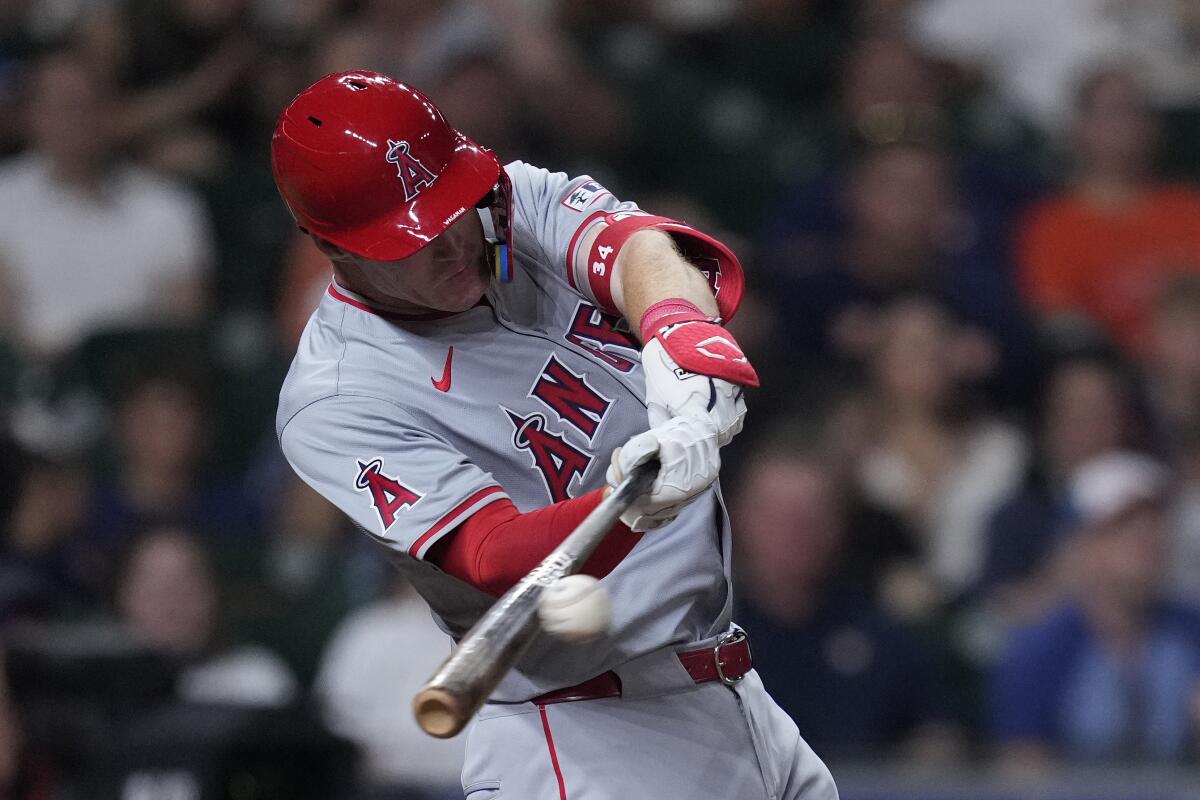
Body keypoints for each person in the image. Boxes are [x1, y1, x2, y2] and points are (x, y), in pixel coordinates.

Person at [271, 72, 835, 799]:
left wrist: (679, 336)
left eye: (453, 211)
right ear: (329, 246)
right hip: (586, 739)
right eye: (412, 241)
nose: (451, 245)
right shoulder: (336, 397)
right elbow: (489, 554)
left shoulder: (511, 203)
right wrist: (635, 501)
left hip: (730, 692)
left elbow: (643, 250)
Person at [989, 452, 1200, 769]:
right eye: (1122, 526)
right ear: (1080, 543)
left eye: (1155, 523)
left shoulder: (1191, 631)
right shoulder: (1038, 651)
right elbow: (1024, 773)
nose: (1146, 538)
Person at [1016, 65, 1200, 354]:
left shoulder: (1189, 207)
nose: (1126, 125)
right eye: (1113, 112)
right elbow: (1056, 318)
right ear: (1082, 127)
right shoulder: (1054, 225)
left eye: (1136, 111)